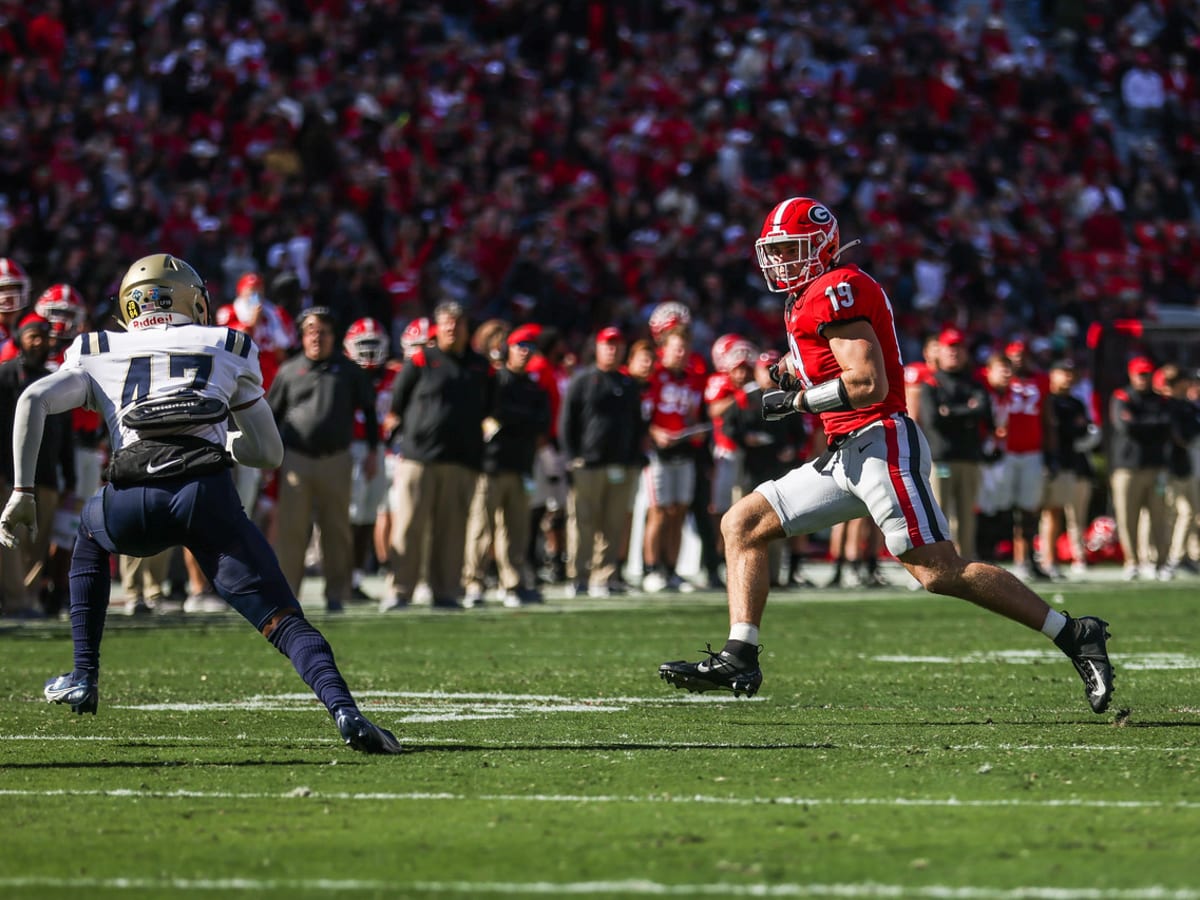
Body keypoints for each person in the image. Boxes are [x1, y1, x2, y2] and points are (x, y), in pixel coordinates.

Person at [658, 198, 1114, 717]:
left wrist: (799, 399)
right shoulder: (809, 297)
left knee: (939, 572)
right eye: (776, 250)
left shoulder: (836, 287)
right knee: (743, 524)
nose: (782, 260)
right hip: (844, 453)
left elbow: (869, 384)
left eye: (792, 248)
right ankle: (740, 655)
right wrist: (795, 371)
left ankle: (1074, 633)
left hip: (879, 442)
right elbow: (832, 361)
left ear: (823, 245)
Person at [0, 253, 401, 753]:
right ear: (192, 300)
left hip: (130, 498)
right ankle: (345, 712)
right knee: (283, 618)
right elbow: (269, 453)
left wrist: (22, 491)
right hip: (204, 496)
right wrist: (226, 442)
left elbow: (32, 400)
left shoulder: (97, 347)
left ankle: (84, 674)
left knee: (88, 532)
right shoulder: (225, 343)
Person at [267, 306, 379, 612]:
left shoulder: (349, 371)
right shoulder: (289, 370)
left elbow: (369, 413)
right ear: (303, 336)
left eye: (324, 331)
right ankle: (287, 596)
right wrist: (268, 456)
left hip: (336, 459)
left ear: (334, 336)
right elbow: (271, 415)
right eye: (311, 330)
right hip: (296, 460)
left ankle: (336, 595)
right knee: (292, 531)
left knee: (336, 530)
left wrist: (372, 452)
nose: (317, 337)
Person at [385, 300, 495, 609]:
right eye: (446, 322)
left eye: (457, 322)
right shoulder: (421, 359)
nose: (452, 327)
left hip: (461, 460)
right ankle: (400, 590)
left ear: (466, 327)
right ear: (437, 327)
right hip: (419, 458)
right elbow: (398, 401)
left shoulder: (479, 365)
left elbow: (490, 407)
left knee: (452, 530)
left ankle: (446, 591)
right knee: (408, 526)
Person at [461, 323, 551, 607]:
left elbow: (540, 423)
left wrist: (511, 419)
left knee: (516, 532)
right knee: (480, 529)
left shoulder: (535, 388)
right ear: (508, 349)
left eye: (530, 348)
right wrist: (517, 419)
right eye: (520, 347)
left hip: (521, 465)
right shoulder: (495, 381)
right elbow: (491, 413)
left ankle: (512, 583)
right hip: (490, 466)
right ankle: (473, 583)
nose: (525, 353)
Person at [559, 327, 646, 598]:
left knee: (613, 523)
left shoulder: (628, 384)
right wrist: (571, 457)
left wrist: (634, 459)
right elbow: (566, 422)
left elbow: (637, 424)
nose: (612, 349)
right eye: (607, 344)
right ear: (596, 347)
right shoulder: (582, 380)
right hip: (588, 464)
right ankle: (578, 576)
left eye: (617, 345)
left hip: (621, 464)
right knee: (583, 522)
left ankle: (605, 575)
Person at [0, 314, 75, 617]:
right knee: (10, 542)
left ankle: (28, 599)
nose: (39, 342)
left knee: (38, 542)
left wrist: (67, 474)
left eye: (44, 336)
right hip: (9, 475)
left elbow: (64, 433)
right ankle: (16, 599)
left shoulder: (53, 380)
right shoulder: (4, 377)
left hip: (45, 475)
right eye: (33, 336)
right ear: (19, 339)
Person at [919, 327, 993, 560]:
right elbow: (933, 419)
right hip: (941, 457)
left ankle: (966, 561)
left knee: (967, 514)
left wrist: (950, 412)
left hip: (969, 457)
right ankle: (938, 561)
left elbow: (983, 411)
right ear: (939, 352)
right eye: (950, 348)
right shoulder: (931, 383)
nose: (955, 353)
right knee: (938, 511)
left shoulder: (975, 383)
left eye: (959, 348)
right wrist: (966, 411)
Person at [1109, 356, 1172, 581]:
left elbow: (1167, 425)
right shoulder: (1122, 396)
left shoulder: (1161, 400)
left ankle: (1162, 562)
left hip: (1156, 467)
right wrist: (1153, 423)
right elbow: (1126, 426)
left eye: (1146, 374)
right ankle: (1132, 561)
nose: (1143, 378)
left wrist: (1142, 422)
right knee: (1127, 517)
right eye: (1139, 374)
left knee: (1160, 516)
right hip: (1127, 467)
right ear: (1131, 374)